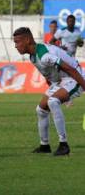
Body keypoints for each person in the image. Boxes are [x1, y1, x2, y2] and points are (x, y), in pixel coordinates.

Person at [13, 27, 85, 156]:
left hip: (74, 77)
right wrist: (54, 88)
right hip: (60, 80)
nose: (16, 46)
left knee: (53, 101)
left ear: (28, 40)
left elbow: (69, 68)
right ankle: (44, 145)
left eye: (18, 42)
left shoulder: (44, 55)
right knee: (41, 109)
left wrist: (83, 85)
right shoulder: (33, 56)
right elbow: (50, 74)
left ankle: (64, 145)